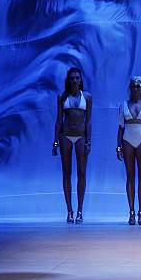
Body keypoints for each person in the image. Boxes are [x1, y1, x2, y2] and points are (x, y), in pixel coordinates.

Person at [52, 67, 93, 224]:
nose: (75, 80)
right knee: (66, 173)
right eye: (72, 78)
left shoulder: (87, 97)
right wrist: (55, 142)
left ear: (81, 79)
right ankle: (69, 210)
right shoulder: (62, 97)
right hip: (65, 137)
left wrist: (89, 141)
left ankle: (80, 210)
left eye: (77, 78)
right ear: (68, 80)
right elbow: (58, 121)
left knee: (82, 173)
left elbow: (88, 121)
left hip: (81, 137)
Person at [116, 77, 141, 225]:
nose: (136, 89)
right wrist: (118, 146)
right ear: (130, 88)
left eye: (138, 86)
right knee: (130, 176)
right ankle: (131, 211)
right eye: (133, 86)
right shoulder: (124, 105)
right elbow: (120, 128)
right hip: (127, 140)